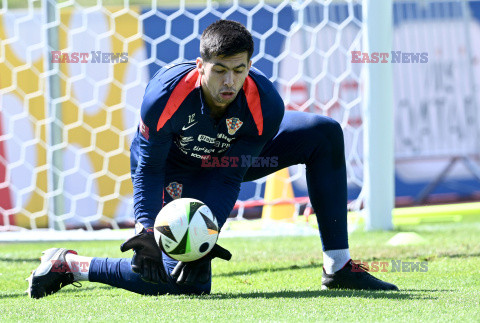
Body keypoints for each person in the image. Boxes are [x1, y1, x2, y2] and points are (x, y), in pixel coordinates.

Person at [27, 20, 398, 299]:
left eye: (239, 70)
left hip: (226, 163)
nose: (229, 82)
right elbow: (149, 167)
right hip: (173, 169)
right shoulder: (164, 97)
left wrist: (207, 235)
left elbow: (228, 177)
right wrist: (145, 229)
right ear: (200, 65)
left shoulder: (265, 104)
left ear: (250, 66)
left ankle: (338, 266)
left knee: (324, 132)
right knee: (180, 284)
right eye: (219, 70)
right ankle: (69, 264)